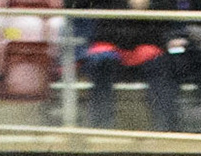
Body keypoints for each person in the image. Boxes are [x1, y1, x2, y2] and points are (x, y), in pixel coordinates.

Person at [69, 0, 180, 132]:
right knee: (101, 63)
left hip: (148, 42)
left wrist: (148, 6)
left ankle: (165, 130)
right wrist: (127, 6)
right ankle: (100, 128)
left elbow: (166, 20)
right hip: (112, 42)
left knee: (161, 66)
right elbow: (99, 21)